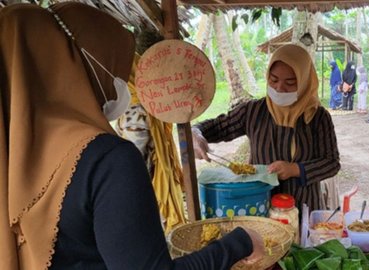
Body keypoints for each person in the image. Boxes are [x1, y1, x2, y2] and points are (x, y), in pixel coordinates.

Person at [0, 3, 264, 270]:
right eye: (116, 68)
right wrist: (240, 243)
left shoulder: (9, 156)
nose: (121, 81)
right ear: (78, 66)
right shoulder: (106, 161)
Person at [192, 44, 341, 211]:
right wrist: (195, 133)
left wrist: (294, 169)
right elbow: (216, 127)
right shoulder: (253, 111)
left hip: (303, 206)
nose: (279, 88)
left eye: (290, 82)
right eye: (274, 80)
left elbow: (331, 163)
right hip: (259, 204)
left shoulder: (318, 117)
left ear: (305, 81)